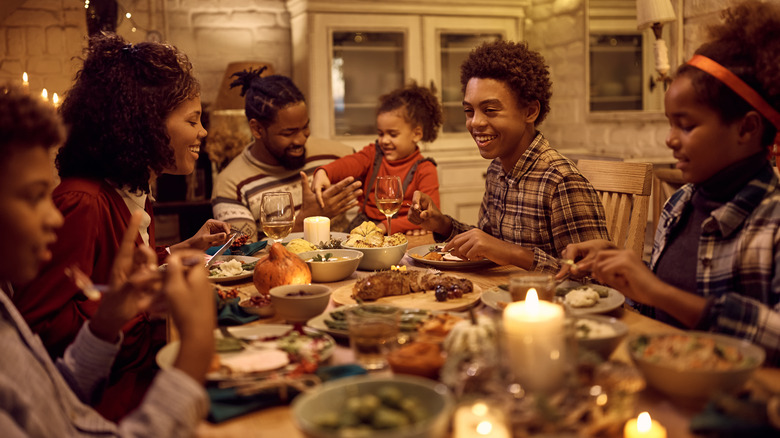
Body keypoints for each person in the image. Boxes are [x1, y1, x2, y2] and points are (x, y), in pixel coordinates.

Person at [13, 33, 230, 421]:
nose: (203, 132)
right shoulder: (83, 202)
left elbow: (113, 272)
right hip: (113, 402)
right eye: (192, 120)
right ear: (146, 123)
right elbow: (40, 332)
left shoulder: (124, 191)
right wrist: (141, 313)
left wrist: (183, 248)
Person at [558, 0, 780, 365]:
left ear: (747, 127)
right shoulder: (680, 204)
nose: (670, 139)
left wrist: (658, 291)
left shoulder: (771, 220)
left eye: (687, 125)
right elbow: (656, 307)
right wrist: (625, 269)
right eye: (670, 123)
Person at [408, 41, 610, 273]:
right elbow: (488, 243)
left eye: (490, 110)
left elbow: (596, 280)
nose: (475, 122)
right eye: (469, 111)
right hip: (504, 295)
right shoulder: (497, 169)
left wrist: (513, 254)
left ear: (530, 112)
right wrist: (441, 224)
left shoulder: (561, 181)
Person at [211, 67, 362, 241]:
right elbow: (242, 255)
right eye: (288, 133)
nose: (300, 140)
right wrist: (305, 221)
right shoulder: (231, 185)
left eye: (305, 127)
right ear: (257, 129)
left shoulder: (337, 156)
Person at [311, 82, 443, 234]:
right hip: (364, 224)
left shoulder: (425, 169)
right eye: (381, 133)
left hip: (399, 231)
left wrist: (386, 227)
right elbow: (350, 163)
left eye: (392, 134)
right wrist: (324, 172)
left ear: (416, 134)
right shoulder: (373, 154)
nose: (384, 140)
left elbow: (430, 214)